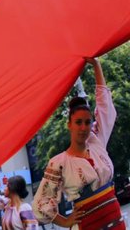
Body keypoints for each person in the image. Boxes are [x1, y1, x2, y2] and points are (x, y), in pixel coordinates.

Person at [32, 58, 125, 229]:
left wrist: (96, 65)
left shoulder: (97, 142)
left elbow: (105, 107)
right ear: (69, 124)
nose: (83, 127)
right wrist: (65, 221)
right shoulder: (59, 163)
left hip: (116, 222)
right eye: (78, 122)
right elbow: (39, 204)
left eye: (87, 122)